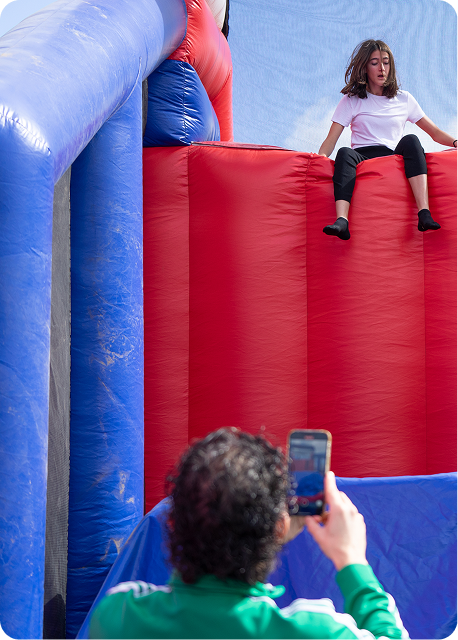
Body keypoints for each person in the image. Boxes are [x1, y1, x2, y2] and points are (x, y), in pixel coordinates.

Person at [89, 428, 410, 639]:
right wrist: (352, 561)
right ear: (279, 527)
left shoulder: (118, 617)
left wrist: (276, 527)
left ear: (173, 523)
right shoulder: (318, 632)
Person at [319, 39, 458, 240]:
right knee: (344, 152)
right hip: (361, 157)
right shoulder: (351, 100)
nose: (382, 68)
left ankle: (424, 213)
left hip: (393, 156)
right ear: (364, 67)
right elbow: (331, 140)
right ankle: (342, 220)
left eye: (386, 62)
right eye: (375, 63)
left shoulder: (404, 99)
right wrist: (319, 159)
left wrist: (455, 142)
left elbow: (435, 132)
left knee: (411, 140)